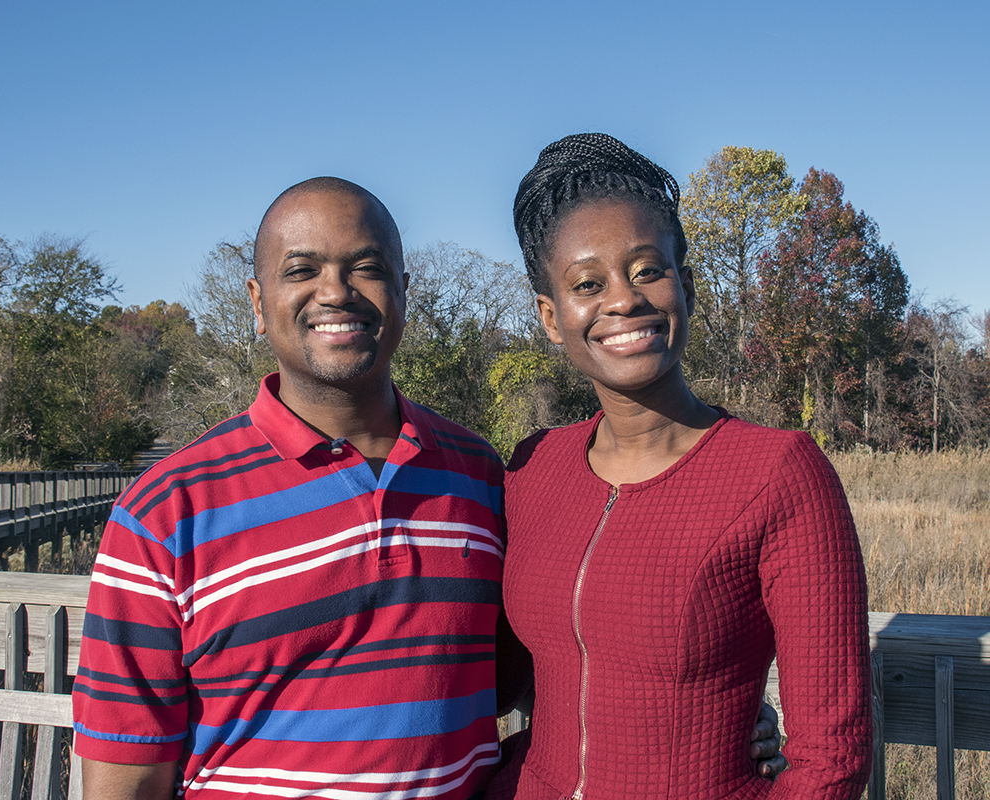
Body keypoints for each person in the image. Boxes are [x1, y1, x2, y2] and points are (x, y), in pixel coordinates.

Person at [72, 176, 782, 800]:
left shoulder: (479, 476)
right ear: (258, 302)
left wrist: (710, 707)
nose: (336, 291)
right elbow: (123, 775)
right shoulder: (168, 511)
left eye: (367, 267)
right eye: (302, 269)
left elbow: (535, 668)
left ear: (405, 290)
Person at [488, 134, 873, 799]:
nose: (623, 299)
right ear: (552, 317)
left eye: (647, 270)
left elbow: (832, 759)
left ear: (686, 287)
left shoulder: (778, 475)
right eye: (587, 284)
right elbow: (518, 679)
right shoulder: (533, 467)